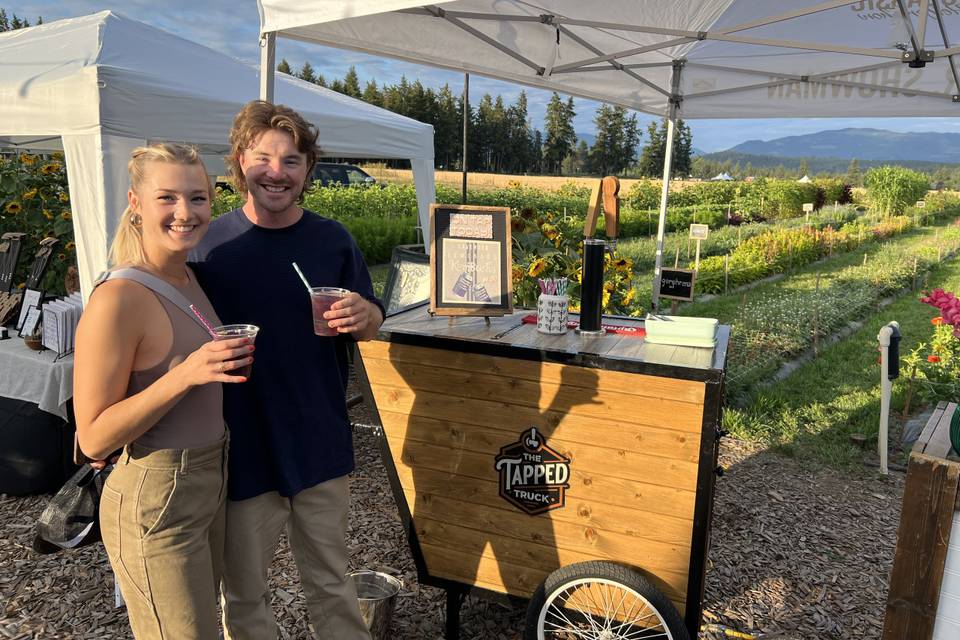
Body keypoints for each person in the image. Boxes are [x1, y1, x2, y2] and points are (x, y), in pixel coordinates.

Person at [190, 101, 382, 640]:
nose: (277, 172)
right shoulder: (207, 246)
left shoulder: (332, 240)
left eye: (292, 160)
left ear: (308, 171)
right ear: (239, 161)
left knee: (332, 580)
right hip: (242, 441)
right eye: (264, 157)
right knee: (245, 592)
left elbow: (369, 320)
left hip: (318, 434)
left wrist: (367, 314)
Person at [74, 143, 255, 639]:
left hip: (209, 477)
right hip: (157, 492)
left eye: (197, 198)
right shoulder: (118, 299)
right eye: (167, 198)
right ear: (135, 202)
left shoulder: (189, 276)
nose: (185, 213)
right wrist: (185, 374)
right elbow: (92, 440)